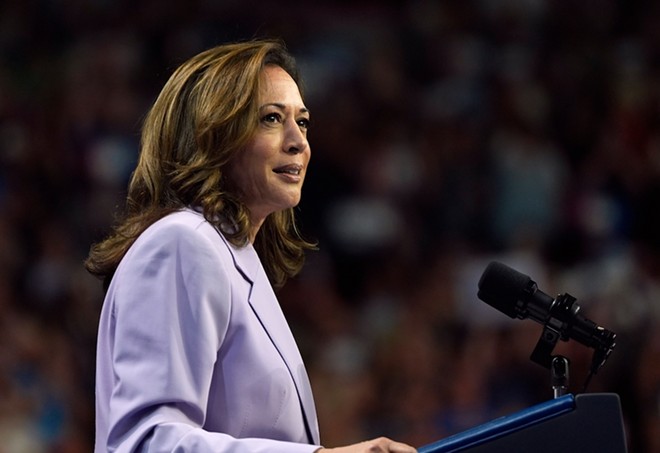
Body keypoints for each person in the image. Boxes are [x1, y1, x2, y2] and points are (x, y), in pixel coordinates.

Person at [85, 39, 418, 453]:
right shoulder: (182, 243)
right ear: (213, 134)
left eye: (303, 121)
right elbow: (146, 443)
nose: (298, 141)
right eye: (272, 118)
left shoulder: (233, 257)